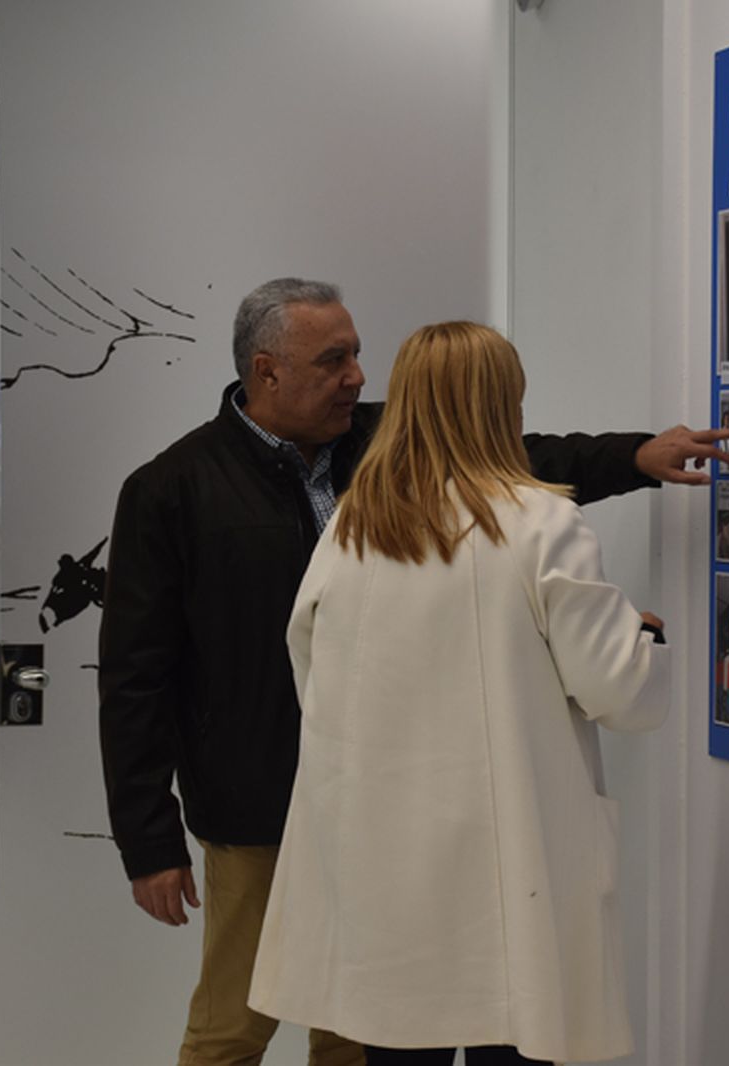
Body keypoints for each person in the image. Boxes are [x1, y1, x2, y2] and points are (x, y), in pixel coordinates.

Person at [98, 279, 729, 1066]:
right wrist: (149, 840)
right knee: (235, 1025)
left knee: (363, 1028)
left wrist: (635, 456)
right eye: (334, 360)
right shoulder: (174, 489)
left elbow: (518, 458)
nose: (357, 377)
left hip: (374, 804)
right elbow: (134, 676)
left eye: (359, 355)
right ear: (267, 371)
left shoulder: (366, 481)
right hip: (260, 803)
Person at [246, 322, 669, 1065]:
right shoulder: (541, 522)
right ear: (502, 404)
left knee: (400, 1041)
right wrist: (641, 638)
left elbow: (310, 668)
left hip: (385, 865)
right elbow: (619, 692)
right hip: (512, 868)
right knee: (518, 1030)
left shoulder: (353, 525)